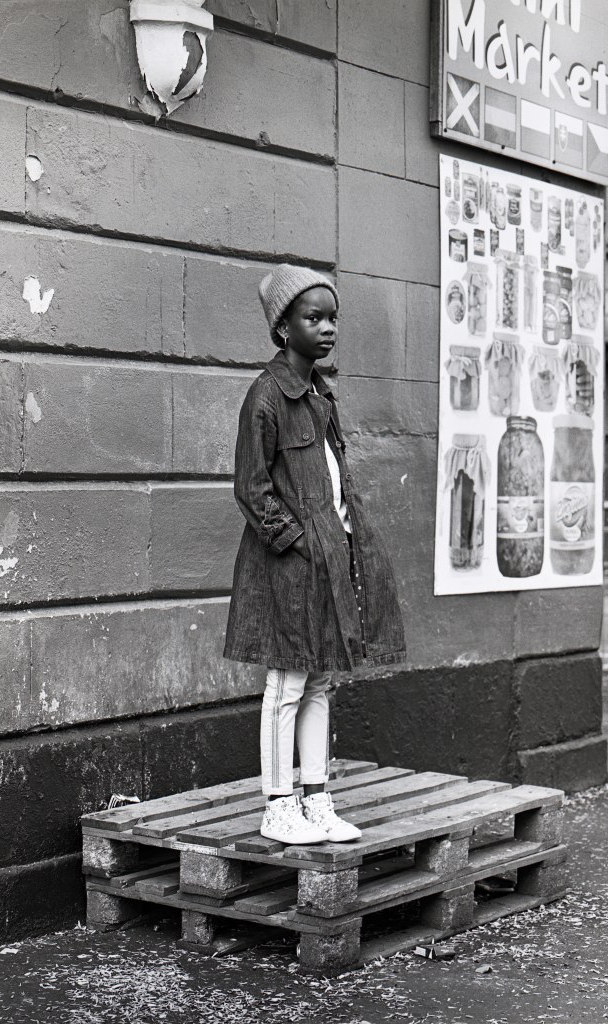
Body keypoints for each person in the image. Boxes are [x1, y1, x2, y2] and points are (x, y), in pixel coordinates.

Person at [223, 264, 406, 845]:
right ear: (283, 327)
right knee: (286, 682)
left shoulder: (322, 397)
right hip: (288, 569)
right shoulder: (266, 396)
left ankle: (317, 799)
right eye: (314, 317)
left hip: (329, 561)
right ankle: (277, 807)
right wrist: (297, 544)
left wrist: (344, 544)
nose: (328, 329)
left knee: (321, 681)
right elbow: (252, 488)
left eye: (333, 318)